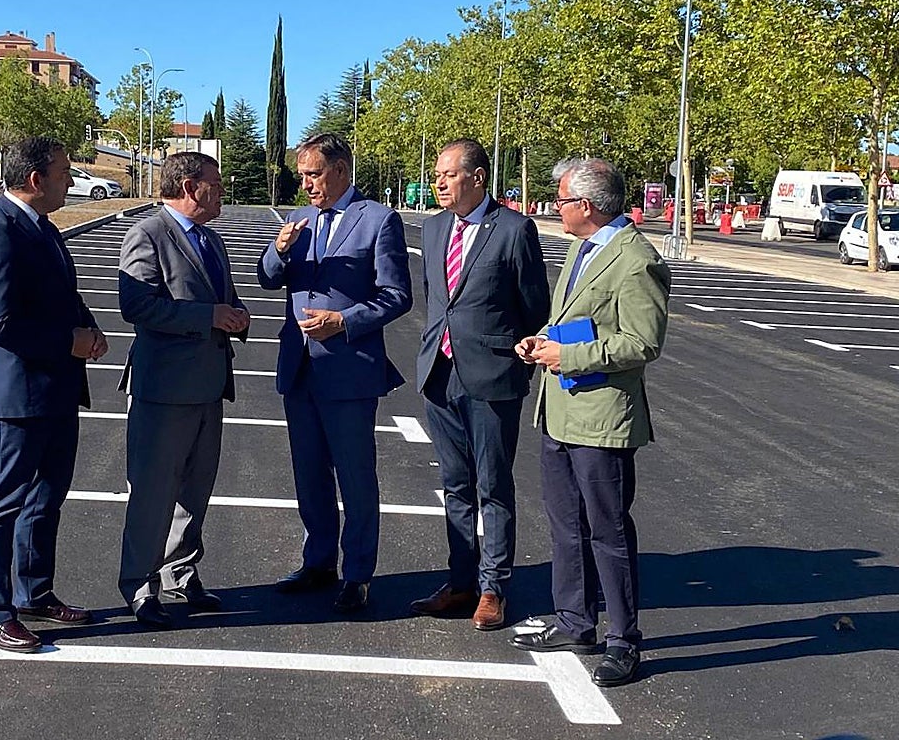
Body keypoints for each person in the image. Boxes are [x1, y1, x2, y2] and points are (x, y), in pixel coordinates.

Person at [511, 157, 670, 687]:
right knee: (564, 525)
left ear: (587, 206)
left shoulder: (635, 259)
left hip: (601, 418)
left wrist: (569, 358)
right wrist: (542, 340)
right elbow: (571, 321)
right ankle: (575, 621)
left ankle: (625, 640)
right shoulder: (583, 249)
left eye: (560, 200)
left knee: (607, 530)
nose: (555, 208)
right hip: (559, 411)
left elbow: (643, 342)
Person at [257, 132, 413, 613]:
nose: (304, 184)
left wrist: (344, 321)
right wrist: (279, 251)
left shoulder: (379, 220)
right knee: (309, 474)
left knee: (355, 476)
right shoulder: (298, 219)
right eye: (301, 174)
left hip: (348, 369)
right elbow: (268, 279)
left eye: (313, 174)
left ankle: (358, 573)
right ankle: (318, 561)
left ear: (341, 169)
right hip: (300, 367)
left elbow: (396, 295)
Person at [0, 135, 108, 653]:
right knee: (1, 503)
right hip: (18, 396)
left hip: (58, 390)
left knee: (47, 497)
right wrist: (69, 340)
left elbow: (62, 296)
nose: (71, 180)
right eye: (64, 172)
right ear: (34, 179)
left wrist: (88, 329)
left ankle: (34, 592)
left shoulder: (43, 229)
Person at [409, 139, 549, 631]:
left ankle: (493, 588)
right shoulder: (432, 230)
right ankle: (461, 582)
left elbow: (534, 307)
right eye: (437, 174)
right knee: (455, 485)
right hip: (440, 372)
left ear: (479, 177)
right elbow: (437, 299)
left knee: (493, 486)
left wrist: (515, 362)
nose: (439, 182)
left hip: (492, 377)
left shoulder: (514, 230)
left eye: (449, 174)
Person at [117, 151, 250, 629]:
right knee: (153, 491)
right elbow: (135, 305)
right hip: (163, 388)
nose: (222, 189)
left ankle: (180, 573)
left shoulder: (211, 239)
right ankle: (139, 585)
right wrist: (206, 317)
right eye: (216, 182)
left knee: (195, 490)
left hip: (209, 384)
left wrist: (235, 316)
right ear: (191, 187)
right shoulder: (148, 234)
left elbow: (223, 299)